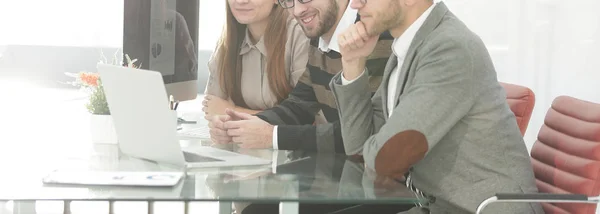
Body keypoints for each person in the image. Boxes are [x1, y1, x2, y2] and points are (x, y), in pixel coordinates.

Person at [330, 0, 544, 213]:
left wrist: (378, 150)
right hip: (438, 206)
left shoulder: (450, 48)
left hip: (484, 209)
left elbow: (386, 159)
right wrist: (353, 62)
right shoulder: (409, 50)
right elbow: (358, 147)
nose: (355, 4)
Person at [209, 0, 392, 153]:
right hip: (342, 177)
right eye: (290, 0)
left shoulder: (373, 35)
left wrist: (272, 136)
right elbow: (300, 104)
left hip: (379, 184)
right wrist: (246, 125)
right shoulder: (319, 33)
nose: (297, 10)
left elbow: (363, 132)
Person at [203, 0, 310, 117]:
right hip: (236, 135)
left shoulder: (300, 35)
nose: (240, 1)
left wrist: (234, 110)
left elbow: (307, 116)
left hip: (287, 136)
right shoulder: (227, 43)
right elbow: (213, 109)